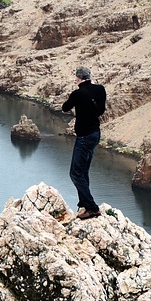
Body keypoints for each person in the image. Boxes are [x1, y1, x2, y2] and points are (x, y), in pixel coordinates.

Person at [61, 66, 107, 218]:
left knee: (75, 173)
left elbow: (65, 108)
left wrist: (75, 98)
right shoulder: (100, 89)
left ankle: (92, 208)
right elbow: (101, 110)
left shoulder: (77, 93)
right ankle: (83, 203)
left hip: (84, 137)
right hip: (95, 133)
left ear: (78, 78)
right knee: (83, 171)